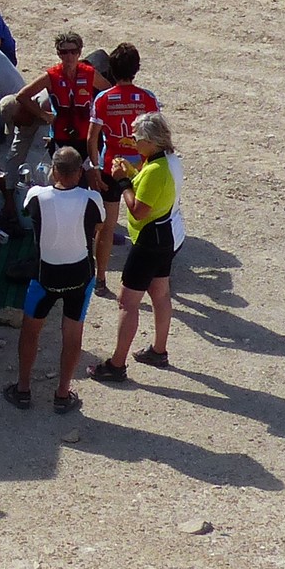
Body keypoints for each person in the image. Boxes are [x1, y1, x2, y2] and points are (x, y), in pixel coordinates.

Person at [5, 146, 103, 413]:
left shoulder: (37, 196)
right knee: (72, 333)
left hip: (45, 275)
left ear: (53, 170)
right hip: (80, 276)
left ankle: (23, 388)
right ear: (80, 172)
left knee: (31, 331)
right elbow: (97, 228)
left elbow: (26, 211)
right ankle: (62, 393)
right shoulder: (93, 199)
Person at [90, 113, 179, 383]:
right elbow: (150, 187)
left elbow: (139, 210)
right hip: (166, 235)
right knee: (160, 294)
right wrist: (132, 174)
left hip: (148, 240)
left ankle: (116, 365)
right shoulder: (168, 162)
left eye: (137, 137)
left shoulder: (154, 171)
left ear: (151, 141)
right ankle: (159, 350)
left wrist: (122, 182)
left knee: (127, 302)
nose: (133, 141)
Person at [86, 43, 159, 298]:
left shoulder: (103, 98)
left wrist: (94, 167)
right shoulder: (148, 98)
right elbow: (157, 135)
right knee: (147, 223)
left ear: (111, 70)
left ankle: (101, 278)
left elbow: (91, 138)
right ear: (136, 69)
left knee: (108, 225)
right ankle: (149, 278)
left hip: (111, 166)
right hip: (141, 168)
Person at [3, 30, 99, 175]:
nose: (69, 56)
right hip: (61, 134)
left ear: (79, 52)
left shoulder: (89, 73)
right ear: (59, 54)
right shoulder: (52, 76)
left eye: (73, 51)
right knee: (63, 176)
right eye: (64, 52)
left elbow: (108, 93)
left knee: (91, 175)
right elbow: (23, 96)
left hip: (86, 134)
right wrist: (44, 115)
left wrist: (97, 117)